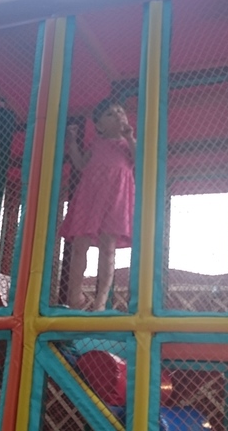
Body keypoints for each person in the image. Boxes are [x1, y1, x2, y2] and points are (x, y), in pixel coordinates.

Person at [59, 98, 136, 311]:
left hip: (116, 198)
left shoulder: (127, 144)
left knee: (108, 249)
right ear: (99, 126)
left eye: (120, 111)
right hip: (90, 197)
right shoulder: (96, 143)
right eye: (110, 114)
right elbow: (81, 164)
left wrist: (130, 138)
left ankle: (101, 302)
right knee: (79, 245)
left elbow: (141, 159)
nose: (118, 115)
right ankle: (74, 297)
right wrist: (72, 142)